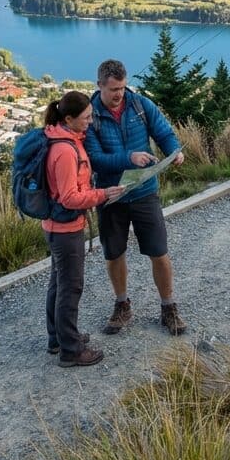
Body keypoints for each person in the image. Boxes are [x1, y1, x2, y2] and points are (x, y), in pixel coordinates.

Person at [85, 59, 186, 337]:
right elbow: (95, 159)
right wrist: (128, 158)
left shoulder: (140, 105)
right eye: (114, 89)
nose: (119, 94)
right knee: (114, 253)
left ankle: (168, 307)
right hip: (111, 195)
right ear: (100, 86)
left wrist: (174, 151)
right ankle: (122, 304)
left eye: (123, 87)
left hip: (144, 192)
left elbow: (164, 132)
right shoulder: (90, 115)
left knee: (159, 251)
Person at [42, 91, 124, 367]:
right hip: (65, 228)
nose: (90, 121)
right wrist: (102, 194)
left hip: (56, 225)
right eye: (86, 117)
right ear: (69, 119)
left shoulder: (64, 140)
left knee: (58, 283)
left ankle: (59, 338)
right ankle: (71, 350)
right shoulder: (65, 150)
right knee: (70, 287)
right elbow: (69, 197)